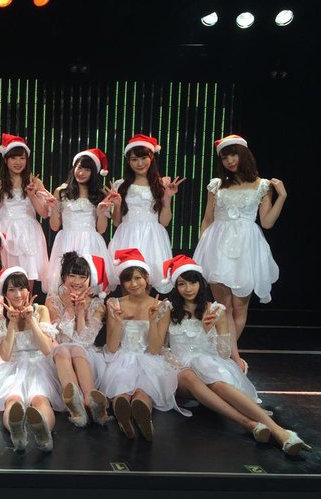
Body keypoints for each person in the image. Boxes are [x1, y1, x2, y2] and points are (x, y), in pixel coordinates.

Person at [158, 254, 311, 456]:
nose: (188, 288)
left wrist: (210, 331)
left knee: (218, 384)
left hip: (207, 366)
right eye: (182, 283)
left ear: (201, 283)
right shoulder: (168, 309)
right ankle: (247, 423)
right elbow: (161, 348)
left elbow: (223, 353)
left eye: (193, 282)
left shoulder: (215, 310)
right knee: (189, 375)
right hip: (179, 372)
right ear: (175, 286)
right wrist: (178, 364)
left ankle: (279, 431)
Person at [193, 134, 285, 373]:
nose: (230, 161)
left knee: (239, 307)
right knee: (223, 306)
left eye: (233, 155)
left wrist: (282, 197)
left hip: (247, 247)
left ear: (244, 155)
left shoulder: (262, 186)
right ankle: (232, 358)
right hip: (217, 245)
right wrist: (203, 247)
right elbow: (207, 219)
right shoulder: (216, 185)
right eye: (225, 157)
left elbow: (267, 222)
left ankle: (224, 354)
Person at [101, 248, 189, 442]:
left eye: (138, 278)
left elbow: (155, 349)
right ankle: (123, 416)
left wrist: (152, 321)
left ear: (147, 278)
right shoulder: (114, 303)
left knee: (143, 392)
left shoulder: (162, 306)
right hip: (122, 357)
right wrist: (118, 321)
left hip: (150, 358)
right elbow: (112, 347)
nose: (133, 284)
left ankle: (143, 418)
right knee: (122, 391)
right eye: (128, 280)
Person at [0, 267, 63, 452]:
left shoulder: (41, 310)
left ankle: (44, 434)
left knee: (40, 400)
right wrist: (12, 323)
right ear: (5, 294)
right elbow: (5, 355)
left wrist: (31, 319)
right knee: (12, 401)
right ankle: (16, 431)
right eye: (12, 290)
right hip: (12, 367)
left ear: (28, 289)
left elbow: (46, 349)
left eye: (21, 288)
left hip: (39, 365)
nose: (18, 294)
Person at [107, 134, 185, 293]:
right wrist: (117, 205)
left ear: (151, 158)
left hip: (152, 237)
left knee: (146, 284)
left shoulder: (161, 184)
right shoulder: (121, 185)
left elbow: (164, 222)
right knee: (127, 282)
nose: (140, 163)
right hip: (127, 236)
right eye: (134, 159)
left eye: (144, 158)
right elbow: (116, 222)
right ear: (128, 161)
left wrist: (167, 198)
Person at [45, 252, 110, 427]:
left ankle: (90, 399)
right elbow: (57, 337)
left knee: (76, 349)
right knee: (63, 349)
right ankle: (76, 404)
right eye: (72, 275)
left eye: (82, 277)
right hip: (60, 355)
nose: (77, 281)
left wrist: (80, 313)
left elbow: (85, 341)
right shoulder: (52, 302)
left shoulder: (97, 305)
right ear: (64, 277)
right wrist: (68, 308)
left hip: (86, 356)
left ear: (90, 279)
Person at [0, 133, 50, 292]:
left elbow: (44, 213)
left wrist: (32, 195)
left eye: (22, 158)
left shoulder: (35, 182)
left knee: (28, 277)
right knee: (6, 278)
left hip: (29, 233)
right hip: (7, 234)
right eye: (14, 158)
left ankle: (26, 306)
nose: (18, 162)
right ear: (6, 160)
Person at [45, 148, 117, 296]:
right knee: (65, 283)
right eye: (79, 168)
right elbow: (54, 226)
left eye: (87, 170)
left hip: (91, 242)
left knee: (89, 283)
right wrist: (55, 208)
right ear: (74, 168)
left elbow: (102, 229)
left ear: (93, 172)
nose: (81, 173)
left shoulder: (100, 194)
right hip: (66, 240)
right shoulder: (61, 191)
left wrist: (101, 213)